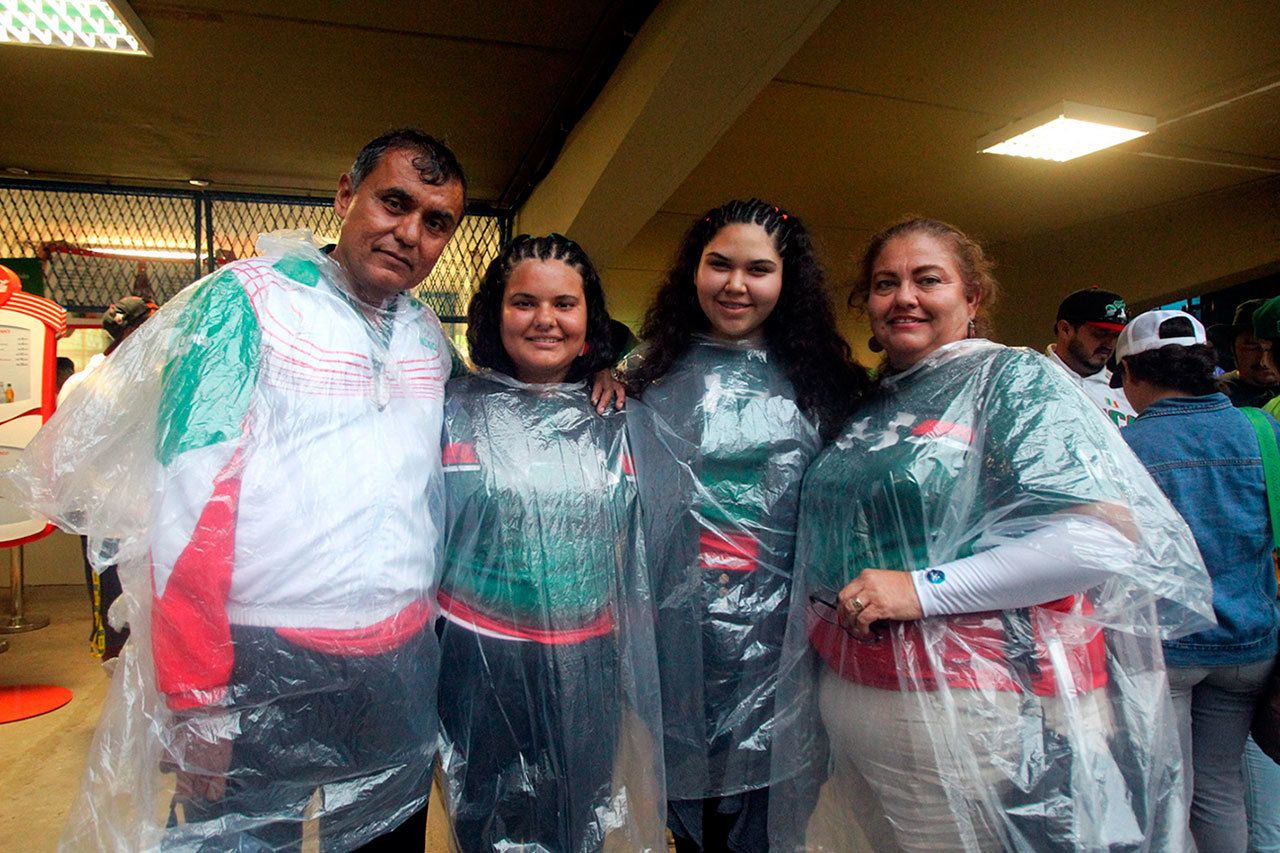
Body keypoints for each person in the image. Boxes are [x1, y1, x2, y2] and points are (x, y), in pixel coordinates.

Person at [4, 128, 467, 851]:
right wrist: (196, 699)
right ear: (346, 196)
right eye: (394, 202)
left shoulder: (428, 338)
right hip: (256, 658)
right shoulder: (245, 305)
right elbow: (186, 506)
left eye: (435, 221)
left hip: (396, 664)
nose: (409, 233)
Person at [769, 217, 1215, 852]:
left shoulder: (1013, 382)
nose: (904, 298)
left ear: (972, 297)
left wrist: (923, 590)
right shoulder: (877, 401)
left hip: (979, 714)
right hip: (858, 706)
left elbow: (1104, 539)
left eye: (929, 280)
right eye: (884, 283)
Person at [625, 199, 869, 852]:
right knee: (689, 825)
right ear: (693, 271)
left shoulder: (829, 387)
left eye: (758, 269)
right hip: (678, 650)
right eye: (719, 264)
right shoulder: (645, 380)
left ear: (787, 280)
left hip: (786, 655)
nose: (736, 284)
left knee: (762, 829)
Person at [434, 233, 664, 852]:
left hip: (588, 663)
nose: (544, 320)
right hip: (477, 659)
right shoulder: (450, 408)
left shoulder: (620, 416)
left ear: (589, 316)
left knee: (573, 824)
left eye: (564, 304)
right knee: (482, 821)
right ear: (495, 313)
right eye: (524, 303)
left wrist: (615, 376)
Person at [1115, 308, 1279, 853]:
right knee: (1220, 788)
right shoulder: (1263, 430)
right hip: (1250, 643)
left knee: (1168, 795)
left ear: (1135, 374)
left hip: (1167, 651)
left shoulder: (1125, 448)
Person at [58, 295, 156, 663]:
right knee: (112, 608)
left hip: (146, 514)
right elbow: (71, 452)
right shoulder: (86, 383)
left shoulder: (150, 378)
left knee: (144, 608)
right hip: (106, 516)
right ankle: (114, 673)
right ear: (130, 331)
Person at [1045, 287, 1136, 427]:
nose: (1110, 344)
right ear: (1065, 329)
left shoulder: (1129, 392)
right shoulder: (1033, 379)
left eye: (1116, 335)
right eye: (1101, 333)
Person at [1218, 298, 1280, 408]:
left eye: (1271, 348)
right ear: (1232, 349)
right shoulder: (1214, 395)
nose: (1264, 359)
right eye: (1252, 346)